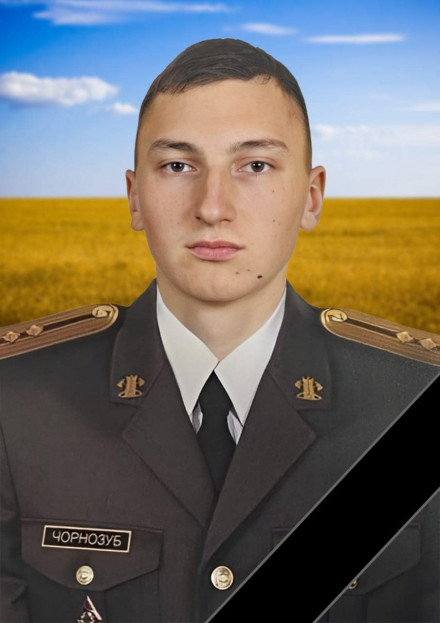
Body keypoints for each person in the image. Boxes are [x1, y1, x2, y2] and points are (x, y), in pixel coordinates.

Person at [1, 38, 439, 623]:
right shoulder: (16, 402)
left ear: (311, 197)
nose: (211, 207)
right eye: (178, 166)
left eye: (255, 166)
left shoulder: (414, 399)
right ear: (135, 198)